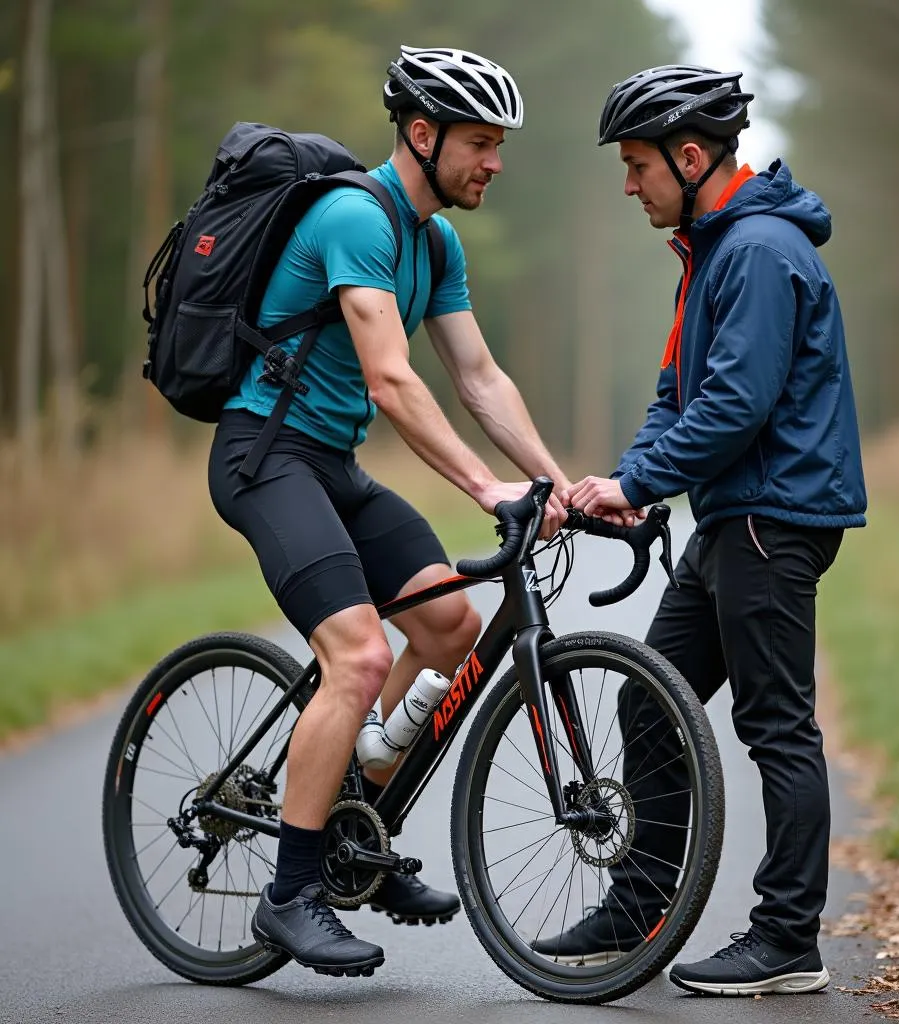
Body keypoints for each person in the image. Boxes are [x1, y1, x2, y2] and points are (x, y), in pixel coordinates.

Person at [208, 44, 570, 976]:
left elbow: (479, 378)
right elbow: (392, 380)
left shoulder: (435, 241)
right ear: (422, 134)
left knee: (450, 625)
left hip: (329, 463)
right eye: (481, 144)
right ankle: (290, 894)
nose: (494, 163)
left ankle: (346, 832)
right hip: (263, 456)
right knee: (361, 654)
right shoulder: (352, 218)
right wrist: (487, 489)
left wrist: (554, 482)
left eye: (499, 146)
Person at [548, 64, 867, 996]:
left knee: (775, 726)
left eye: (638, 163)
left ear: (691, 158)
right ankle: (640, 901)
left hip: (773, 517)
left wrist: (644, 479)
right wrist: (632, 484)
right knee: (651, 698)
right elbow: (674, 396)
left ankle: (787, 938)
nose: (628, 183)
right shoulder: (712, 250)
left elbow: (735, 404)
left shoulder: (758, 251)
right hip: (733, 516)